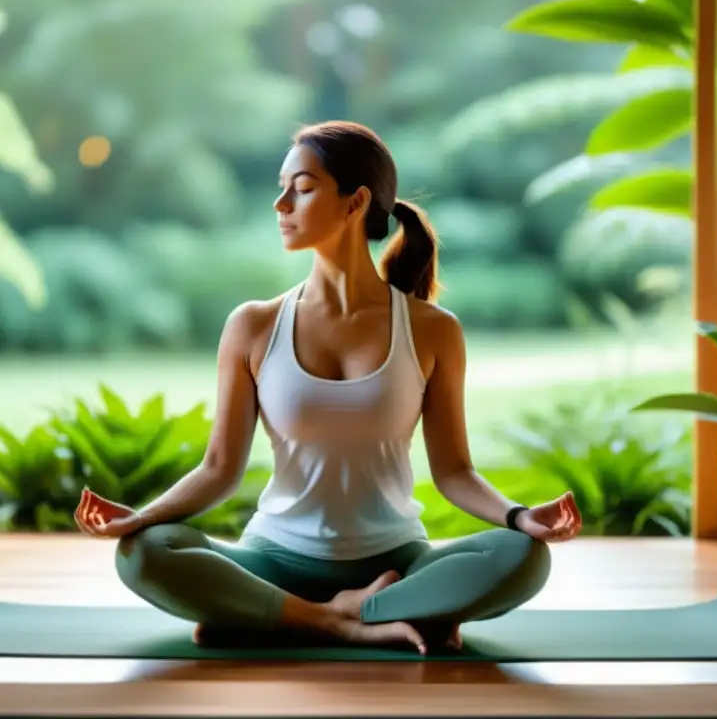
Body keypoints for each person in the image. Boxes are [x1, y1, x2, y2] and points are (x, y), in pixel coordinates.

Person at [74, 121, 582, 655]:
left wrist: (520, 517)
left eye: (303, 187)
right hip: (275, 561)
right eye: (281, 186)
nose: (280, 204)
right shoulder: (254, 326)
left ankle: (283, 617)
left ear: (355, 202)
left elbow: (454, 472)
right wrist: (140, 518)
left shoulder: (433, 329)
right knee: (146, 552)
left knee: (523, 556)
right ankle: (341, 619)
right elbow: (219, 468)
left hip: (395, 562)